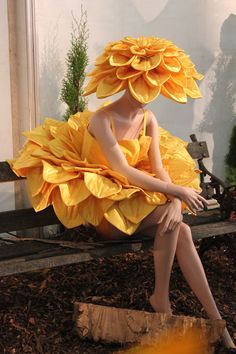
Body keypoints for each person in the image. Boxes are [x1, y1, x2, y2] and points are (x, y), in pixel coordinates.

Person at [10, 35, 235, 349]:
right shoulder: (103, 119)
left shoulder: (148, 119)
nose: (149, 93)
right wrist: (175, 193)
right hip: (109, 215)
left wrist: (172, 199)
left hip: (140, 207)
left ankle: (208, 316)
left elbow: (159, 167)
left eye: (155, 85)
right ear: (126, 81)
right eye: (143, 84)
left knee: (179, 227)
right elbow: (122, 171)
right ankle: (167, 303)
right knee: (175, 223)